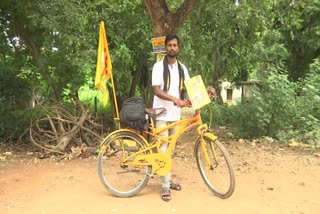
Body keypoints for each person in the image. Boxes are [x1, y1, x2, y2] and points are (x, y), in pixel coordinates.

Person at [151, 33, 190, 202]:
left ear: (178, 48)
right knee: (163, 148)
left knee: (170, 149)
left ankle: (166, 178)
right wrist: (174, 99)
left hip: (175, 115)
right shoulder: (158, 66)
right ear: (165, 48)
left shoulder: (183, 68)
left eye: (175, 45)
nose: (172, 48)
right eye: (169, 45)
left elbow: (190, 87)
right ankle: (165, 185)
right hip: (161, 112)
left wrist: (206, 92)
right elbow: (156, 90)